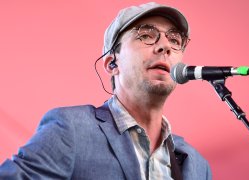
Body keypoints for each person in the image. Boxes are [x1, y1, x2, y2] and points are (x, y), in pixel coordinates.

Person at [0, 2, 212, 180]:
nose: (165, 46)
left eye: (175, 40)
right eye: (146, 35)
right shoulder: (71, 130)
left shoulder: (198, 165)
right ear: (112, 64)